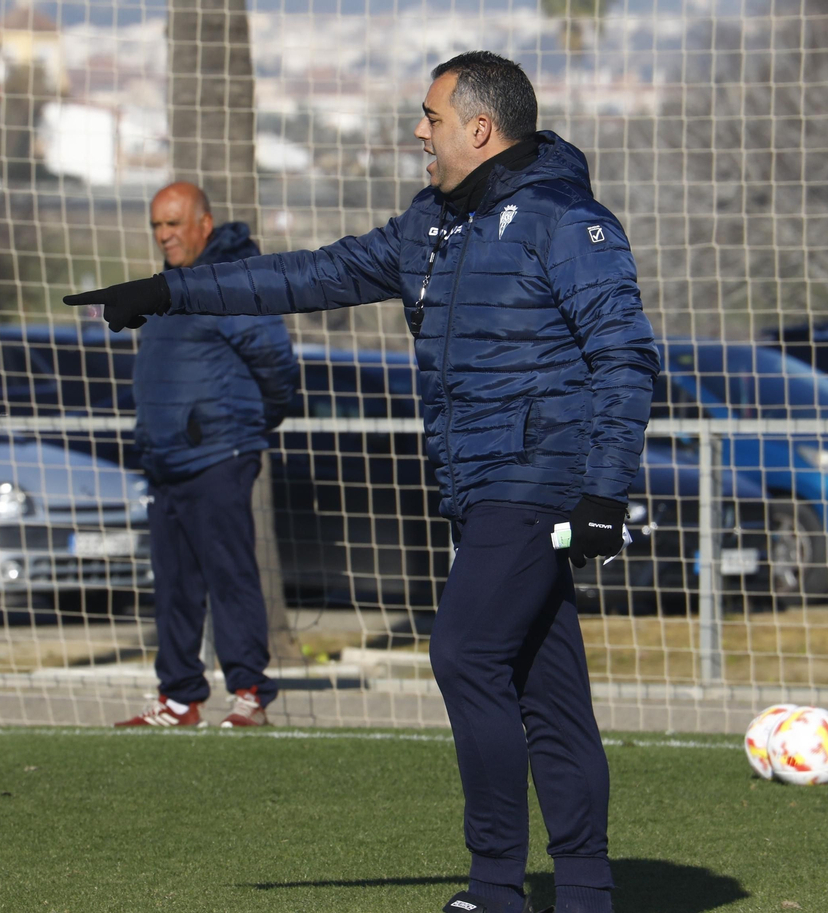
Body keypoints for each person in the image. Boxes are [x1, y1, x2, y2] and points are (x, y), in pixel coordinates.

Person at [67, 51, 659, 913]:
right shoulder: (432, 224)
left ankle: (496, 887)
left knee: (464, 650)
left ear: (479, 129)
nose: (419, 132)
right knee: (544, 682)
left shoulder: (565, 220)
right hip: (480, 484)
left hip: (541, 486)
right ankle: (587, 892)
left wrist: (605, 492)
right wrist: (169, 290)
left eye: (431, 117)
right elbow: (305, 274)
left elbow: (626, 354)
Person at [113, 182, 298, 730]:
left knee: (230, 576)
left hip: (219, 455)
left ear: (204, 224)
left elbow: (277, 364)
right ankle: (179, 698)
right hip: (165, 459)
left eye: (174, 223)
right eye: (157, 226)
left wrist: (243, 424)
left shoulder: (233, 281)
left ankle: (248, 692)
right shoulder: (168, 287)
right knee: (173, 583)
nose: (165, 235)